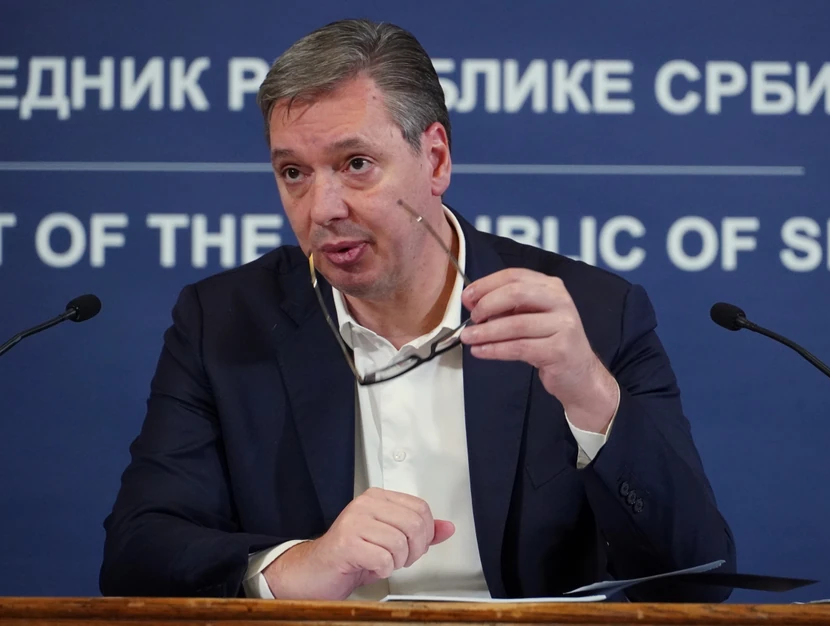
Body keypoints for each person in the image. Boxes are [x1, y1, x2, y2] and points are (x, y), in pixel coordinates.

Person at [99, 18, 735, 602]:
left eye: (355, 164)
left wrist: (591, 395)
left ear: (434, 160)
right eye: (293, 173)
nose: (322, 209)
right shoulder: (224, 322)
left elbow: (699, 579)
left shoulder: (591, 317)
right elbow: (137, 554)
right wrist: (296, 565)